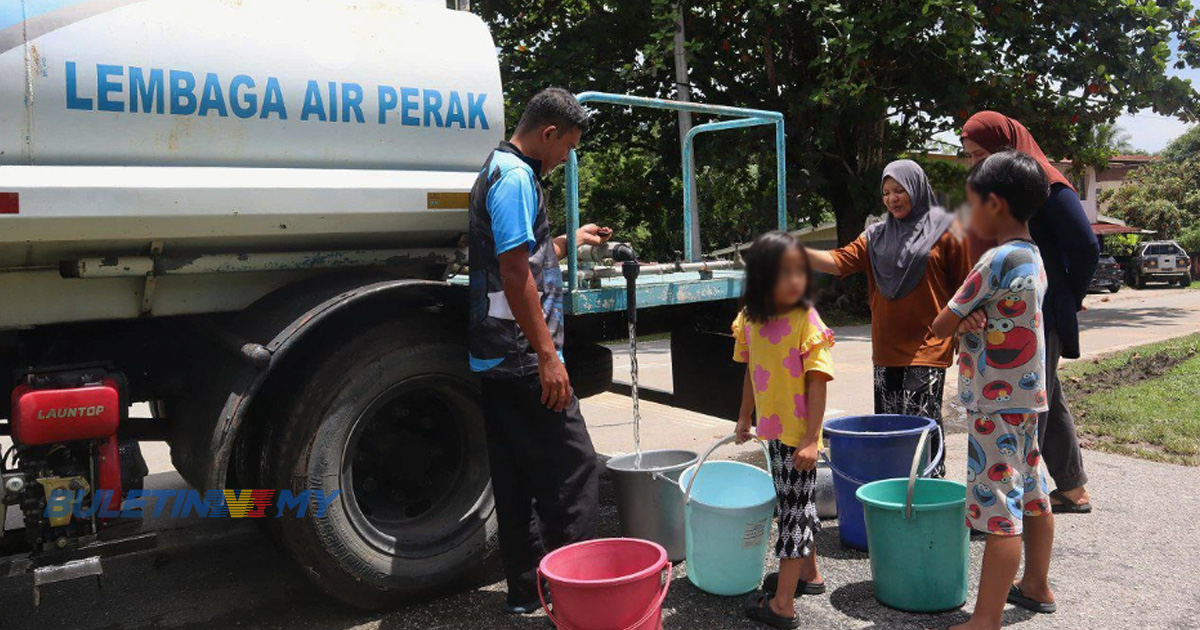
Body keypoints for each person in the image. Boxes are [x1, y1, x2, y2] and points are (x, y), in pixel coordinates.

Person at [467, 87, 613, 614]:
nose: (565, 158)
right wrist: (549, 356)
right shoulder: (515, 178)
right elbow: (513, 272)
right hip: (524, 359)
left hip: (499, 355)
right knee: (573, 474)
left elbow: (519, 254)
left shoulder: (499, 170)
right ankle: (578, 600)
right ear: (548, 133)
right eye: (567, 146)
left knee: (518, 479)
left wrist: (569, 239)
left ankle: (530, 594)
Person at [932, 151, 1057, 630]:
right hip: (1026, 399)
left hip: (992, 403)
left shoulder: (996, 258)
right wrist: (974, 319)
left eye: (973, 203)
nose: (969, 213)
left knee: (997, 505)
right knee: (1034, 492)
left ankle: (985, 619)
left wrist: (963, 319)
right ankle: (1036, 585)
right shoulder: (1032, 255)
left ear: (996, 204)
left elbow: (942, 323)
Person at [962, 111, 1098, 514]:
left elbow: (1087, 247)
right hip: (1012, 311)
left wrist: (1068, 296)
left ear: (1007, 147)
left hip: (1037, 314)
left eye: (981, 154)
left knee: (1026, 405)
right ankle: (1071, 488)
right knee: (1046, 396)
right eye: (968, 156)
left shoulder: (1046, 187)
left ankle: (1010, 502)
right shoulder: (996, 190)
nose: (975, 165)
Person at [807, 160, 969, 477]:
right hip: (886, 350)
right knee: (891, 428)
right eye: (886, 192)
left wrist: (961, 330)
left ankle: (930, 493)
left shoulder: (948, 233)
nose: (892, 198)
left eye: (900, 190)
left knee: (923, 428)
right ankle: (895, 496)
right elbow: (839, 261)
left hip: (929, 347)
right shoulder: (875, 236)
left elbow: (966, 286)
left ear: (918, 188)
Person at [732, 231, 835, 629]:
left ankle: (782, 605)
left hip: (798, 439)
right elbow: (749, 372)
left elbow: (819, 380)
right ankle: (808, 574)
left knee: (793, 513)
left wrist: (811, 439)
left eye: (800, 272)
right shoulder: (751, 320)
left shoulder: (805, 318)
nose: (796, 281)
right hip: (773, 434)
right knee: (796, 503)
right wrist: (745, 417)